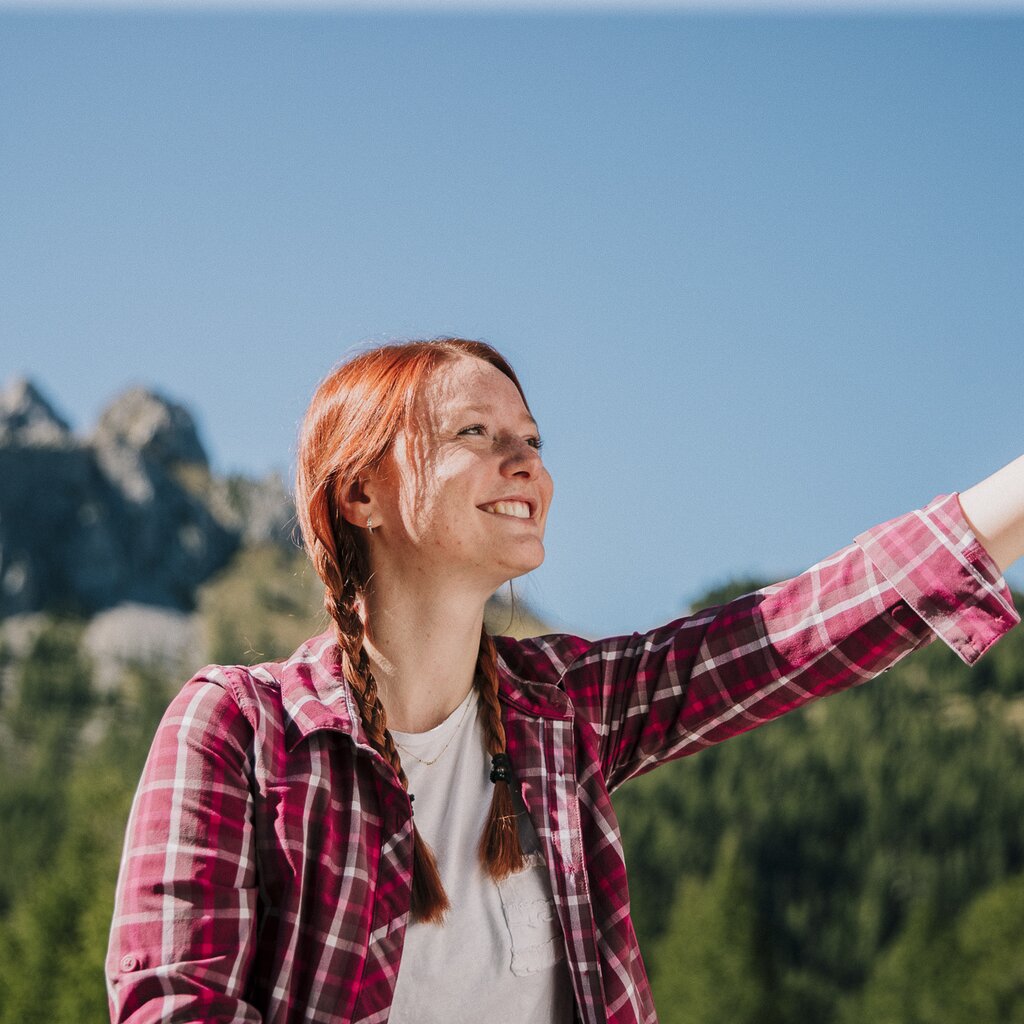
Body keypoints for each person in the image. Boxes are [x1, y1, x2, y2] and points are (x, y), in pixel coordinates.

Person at [106, 337, 1023, 1024]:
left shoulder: (563, 715)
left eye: (532, 440)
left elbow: (795, 627)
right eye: (477, 433)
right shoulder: (239, 728)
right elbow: (173, 1007)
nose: (528, 466)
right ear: (362, 496)